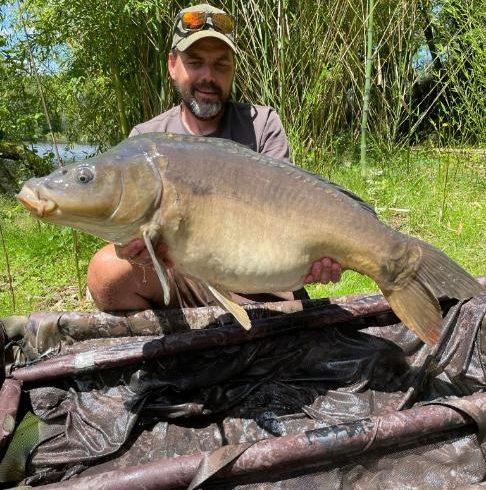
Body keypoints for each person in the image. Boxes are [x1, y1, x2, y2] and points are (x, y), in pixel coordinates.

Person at [87, 3, 342, 311]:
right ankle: (186, 341)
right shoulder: (145, 141)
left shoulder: (261, 124)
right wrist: (132, 250)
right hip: (184, 276)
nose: (208, 77)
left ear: (233, 69)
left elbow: (291, 216)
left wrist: (316, 258)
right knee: (106, 272)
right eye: (195, 62)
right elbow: (128, 232)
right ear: (172, 65)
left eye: (221, 65)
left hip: (262, 277)